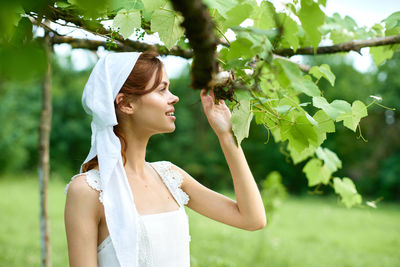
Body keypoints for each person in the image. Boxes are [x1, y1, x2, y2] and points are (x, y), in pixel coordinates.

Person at [64, 50, 266, 267]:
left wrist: (226, 135)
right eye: (161, 89)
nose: (174, 97)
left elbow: (252, 219)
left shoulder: (170, 176)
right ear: (125, 104)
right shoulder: (88, 191)